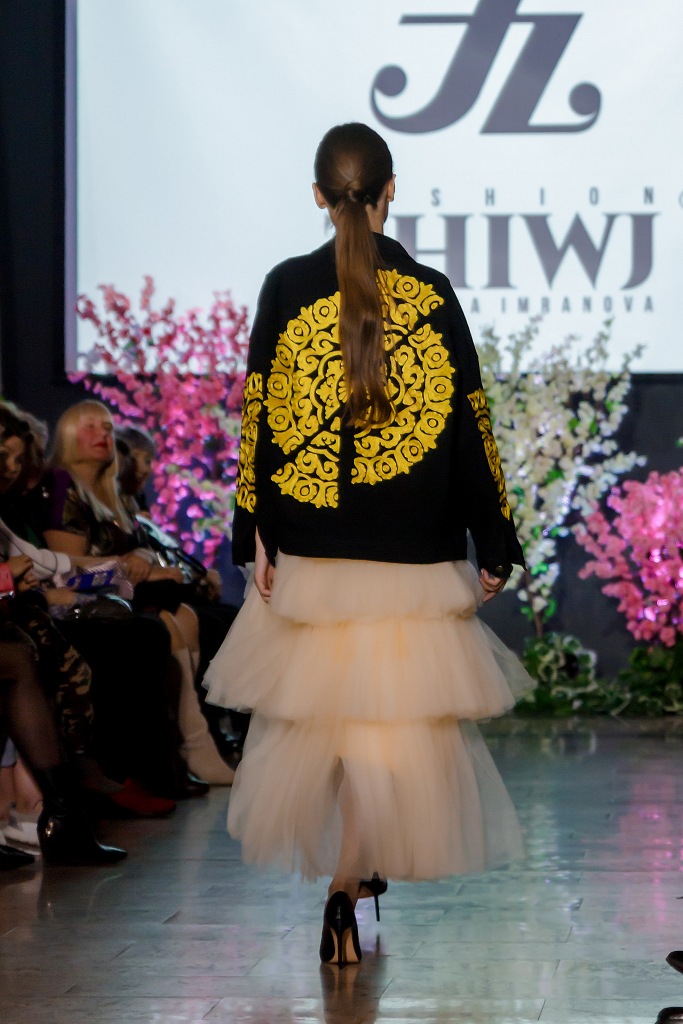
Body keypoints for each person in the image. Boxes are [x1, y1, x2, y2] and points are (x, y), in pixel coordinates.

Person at [203, 123, 533, 966]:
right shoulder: (430, 292)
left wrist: (253, 530)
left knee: (333, 725)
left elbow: (260, 420)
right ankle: (347, 885)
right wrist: (495, 541)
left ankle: (347, 887)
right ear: (391, 190)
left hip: (315, 552)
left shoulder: (286, 285)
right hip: (410, 560)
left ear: (319, 196)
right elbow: (467, 428)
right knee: (384, 731)